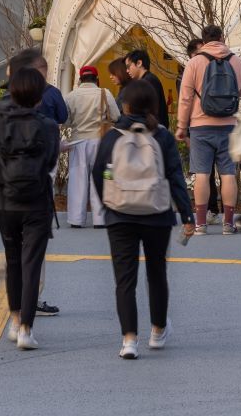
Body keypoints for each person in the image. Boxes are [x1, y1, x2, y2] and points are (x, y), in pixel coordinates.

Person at [92, 77, 192, 360]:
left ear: (124, 104)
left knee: (125, 279)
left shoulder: (112, 136)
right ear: (153, 106)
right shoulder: (161, 136)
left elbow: (99, 171)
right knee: (156, 274)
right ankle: (158, 332)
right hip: (157, 214)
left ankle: (129, 340)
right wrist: (186, 214)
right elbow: (175, 177)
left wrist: (107, 202)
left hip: (119, 213)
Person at [0, 66, 61, 350]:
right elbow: (53, 160)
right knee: (32, 264)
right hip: (37, 200)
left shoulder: (0, 122)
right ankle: (27, 331)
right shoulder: (48, 125)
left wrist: (1, 178)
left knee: (13, 262)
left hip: (6, 200)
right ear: (39, 95)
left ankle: (15, 319)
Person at [176, 25, 241, 236]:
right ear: (222, 38)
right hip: (228, 125)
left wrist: (182, 126)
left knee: (202, 173)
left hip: (200, 126)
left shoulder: (194, 62)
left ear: (203, 40)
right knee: (227, 173)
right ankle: (228, 223)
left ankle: (200, 224)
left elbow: (185, 98)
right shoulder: (236, 61)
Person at [63, 64, 120, 228]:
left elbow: (65, 121)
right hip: (99, 140)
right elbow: (115, 116)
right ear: (97, 79)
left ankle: (76, 219)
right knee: (100, 179)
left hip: (78, 140)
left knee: (77, 180)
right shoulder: (105, 93)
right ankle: (100, 219)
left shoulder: (71, 96)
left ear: (80, 79)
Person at [123, 49, 168, 129]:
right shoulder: (147, 80)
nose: (127, 70)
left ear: (139, 63)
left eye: (128, 66)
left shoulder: (148, 81)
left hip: (154, 131)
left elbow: (149, 111)